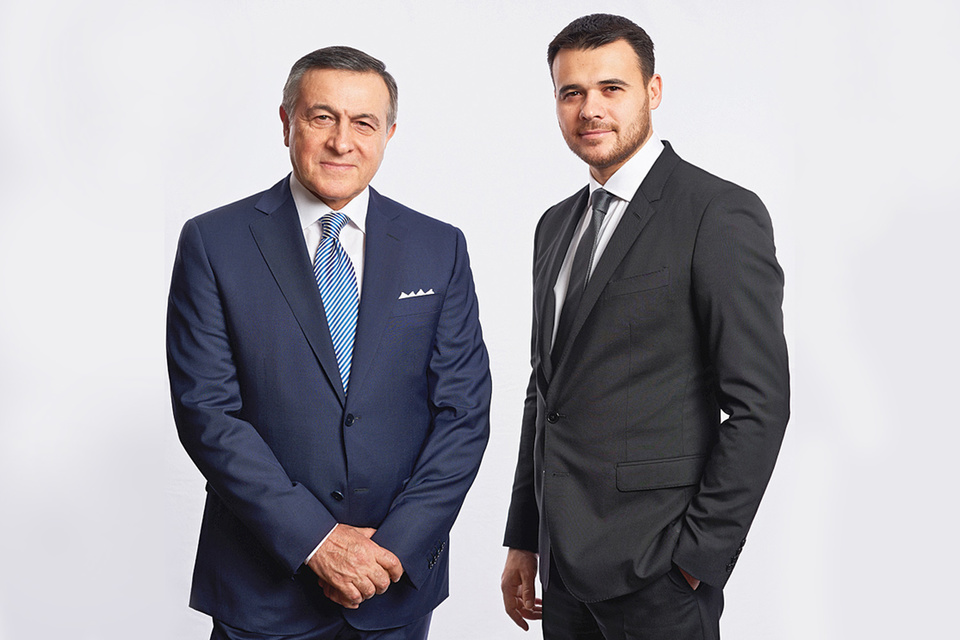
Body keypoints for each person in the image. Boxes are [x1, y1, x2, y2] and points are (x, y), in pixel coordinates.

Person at [166, 46, 490, 640]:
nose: (343, 141)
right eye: (322, 117)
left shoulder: (439, 247)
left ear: (389, 133)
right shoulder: (214, 243)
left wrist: (393, 549)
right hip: (262, 588)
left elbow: (463, 414)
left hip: (393, 587)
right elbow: (206, 412)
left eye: (363, 122)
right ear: (286, 121)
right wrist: (315, 541)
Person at [500, 14, 790, 639]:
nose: (590, 109)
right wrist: (525, 536)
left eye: (612, 88)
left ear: (653, 91)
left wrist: (696, 560)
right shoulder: (555, 225)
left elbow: (760, 405)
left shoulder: (718, 213)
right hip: (562, 569)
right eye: (571, 92)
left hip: (659, 570)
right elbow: (545, 391)